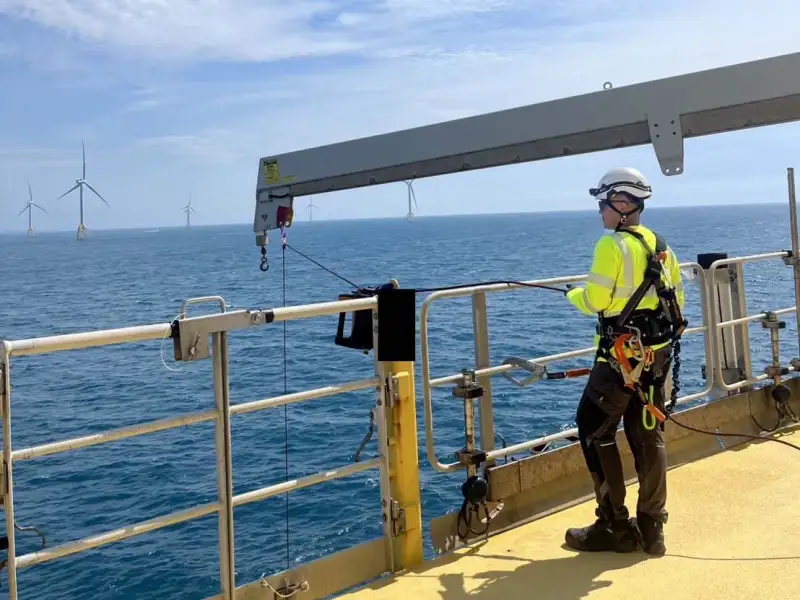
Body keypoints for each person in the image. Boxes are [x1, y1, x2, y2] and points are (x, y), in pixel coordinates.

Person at [563, 166, 685, 556]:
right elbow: (677, 301)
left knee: (593, 429)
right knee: (648, 434)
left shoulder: (610, 245)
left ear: (621, 204)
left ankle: (614, 526)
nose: (600, 211)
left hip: (618, 360)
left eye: (603, 203)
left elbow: (596, 300)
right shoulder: (661, 246)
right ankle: (652, 527)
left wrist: (573, 295)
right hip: (655, 359)